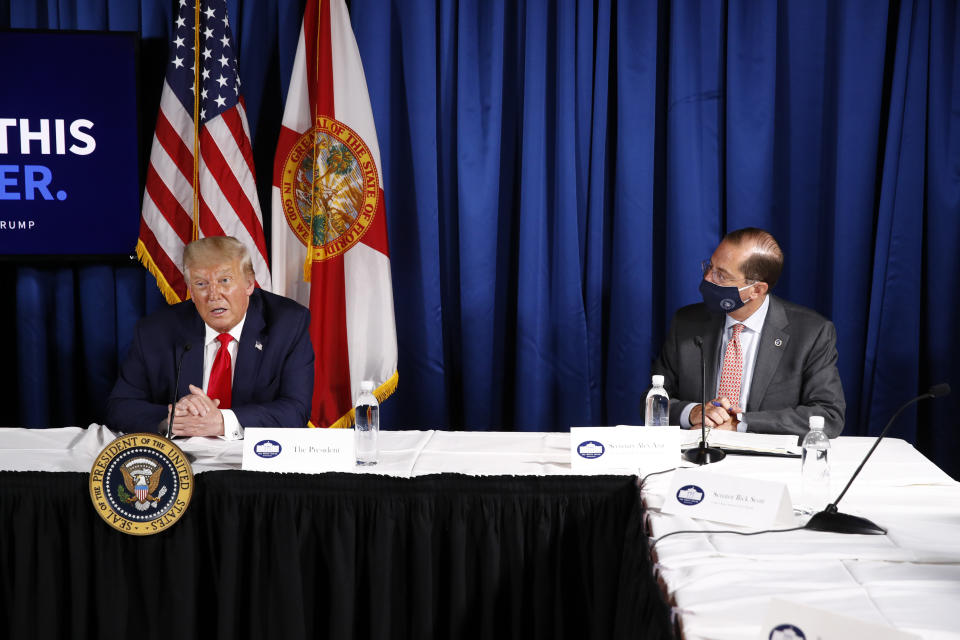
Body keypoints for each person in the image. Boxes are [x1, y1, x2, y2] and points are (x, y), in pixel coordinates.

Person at [107, 236, 314, 438]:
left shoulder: (287, 324)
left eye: (225, 281)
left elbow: (295, 410)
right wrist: (174, 419)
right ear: (191, 291)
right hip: (185, 460)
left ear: (249, 284)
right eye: (201, 284)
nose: (214, 295)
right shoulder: (156, 331)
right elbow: (120, 406)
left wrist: (223, 422)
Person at [652, 228, 845, 438]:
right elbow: (653, 400)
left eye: (721, 275)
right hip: (695, 454)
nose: (707, 278)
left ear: (756, 290)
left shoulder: (811, 333)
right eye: (709, 267)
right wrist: (692, 413)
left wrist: (741, 424)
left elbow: (828, 416)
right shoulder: (687, 322)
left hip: (765, 465)